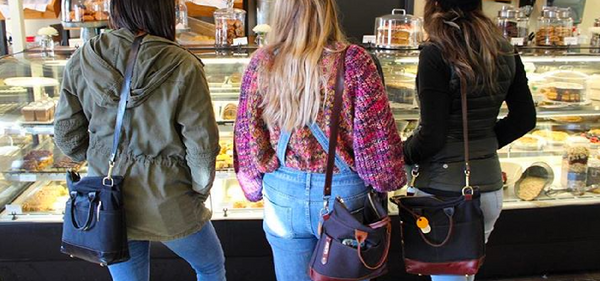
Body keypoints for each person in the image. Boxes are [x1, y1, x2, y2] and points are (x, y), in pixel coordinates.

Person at [233, 0, 407, 280]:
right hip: (345, 197)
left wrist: (252, 187)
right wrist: (388, 180)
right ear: (327, 11)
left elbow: (247, 137)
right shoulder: (354, 60)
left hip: (283, 196)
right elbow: (377, 142)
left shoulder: (262, 62)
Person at [53, 0, 226, 280]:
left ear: (117, 8)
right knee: (210, 266)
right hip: (170, 198)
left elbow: (65, 135)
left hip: (109, 199)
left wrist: (95, 154)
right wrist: (200, 190)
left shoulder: (84, 56)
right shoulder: (183, 63)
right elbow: (202, 146)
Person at [403, 0, 537, 280]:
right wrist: (484, 146)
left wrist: (402, 153)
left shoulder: (436, 52)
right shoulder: (504, 49)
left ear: (436, 5)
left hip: (445, 192)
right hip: (489, 189)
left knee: (449, 276)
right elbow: (525, 118)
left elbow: (432, 135)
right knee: (462, 274)